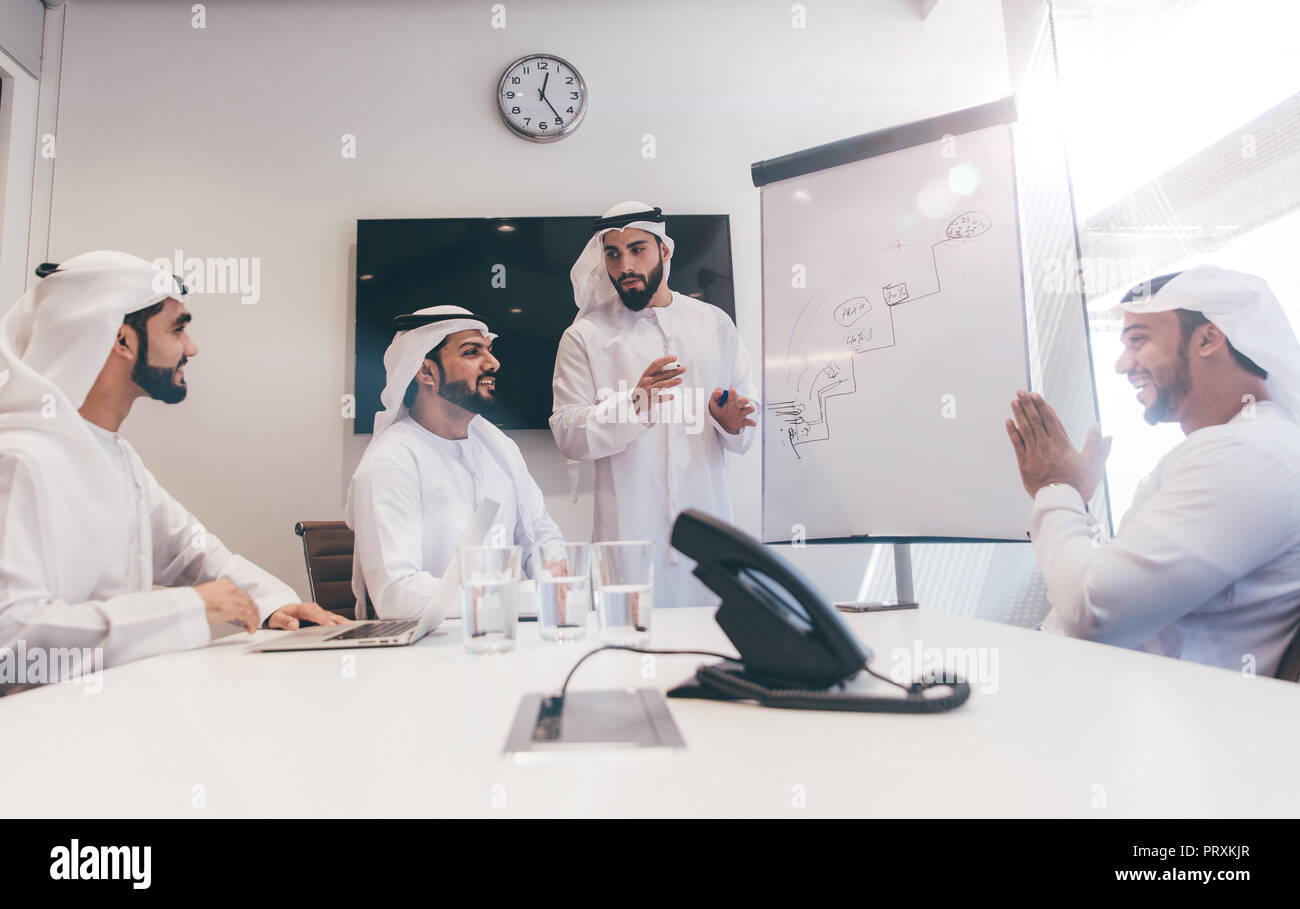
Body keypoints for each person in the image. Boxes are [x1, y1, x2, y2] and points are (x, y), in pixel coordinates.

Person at [0, 251, 344, 683]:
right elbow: (11, 639)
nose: (192, 348)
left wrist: (273, 603)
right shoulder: (21, 458)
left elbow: (190, 549)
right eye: (179, 328)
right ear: (122, 340)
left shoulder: (116, 457)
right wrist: (192, 607)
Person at [1005, 265, 1300, 675]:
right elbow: (1126, 586)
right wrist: (1076, 504)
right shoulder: (1241, 445)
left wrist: (1055, 490)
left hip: (1141, 723)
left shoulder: (1248, 454)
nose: (1122, 365)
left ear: (1209, 338)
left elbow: (1090, 614)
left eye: (1138, 340)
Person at [551, 201, 758, 608]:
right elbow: (569, 435)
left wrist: (731, 423)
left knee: (712, 653)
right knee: (627, 654)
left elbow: (748, 420)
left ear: (665, 250)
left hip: (707, 538)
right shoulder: (585, 337)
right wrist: (634, 405)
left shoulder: (714, 324)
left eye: (637, 250)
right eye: (613, 253)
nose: (625, 265)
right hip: (629, 543)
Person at [347, 305, 565, 621]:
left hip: (511, 641)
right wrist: (527, 597)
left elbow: (539, 536)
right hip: (428, 656)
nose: (493, 363)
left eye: (489, 350)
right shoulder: (391, 462)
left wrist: (555, 572)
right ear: (426, 372)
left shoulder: (499, 450)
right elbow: (397, 595)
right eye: (471, 352)